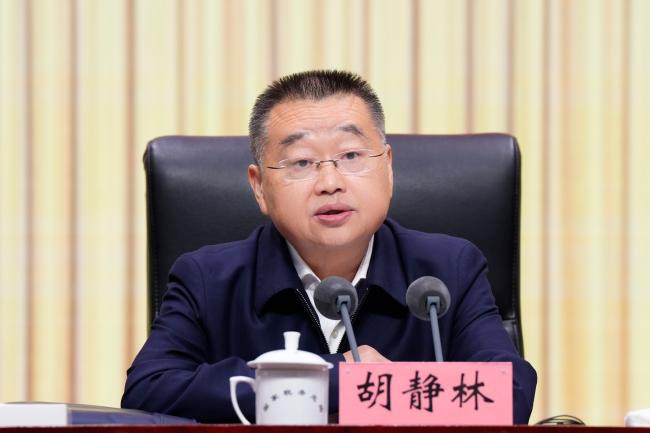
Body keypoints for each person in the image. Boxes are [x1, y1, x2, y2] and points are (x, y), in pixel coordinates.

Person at [121, 70, 537, 423]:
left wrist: (378, 388)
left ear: (388, 167)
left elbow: (510, 393)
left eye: (352, 155)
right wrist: (338, 379)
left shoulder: (448, 270)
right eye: (301, 162)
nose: (330, 182)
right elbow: (149, 389)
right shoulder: (208, 278)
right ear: (259, 187)